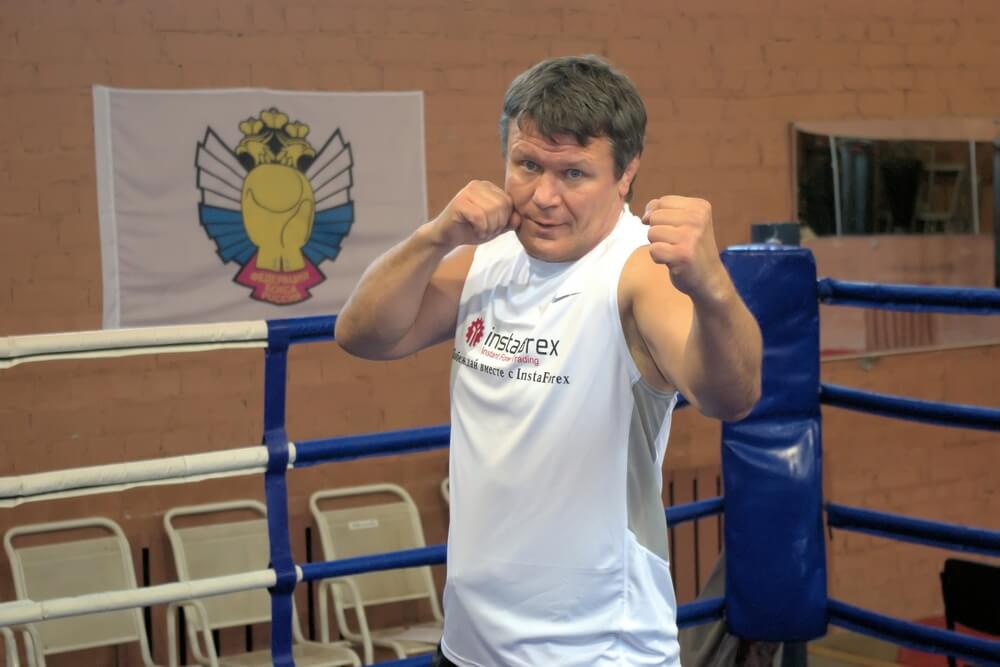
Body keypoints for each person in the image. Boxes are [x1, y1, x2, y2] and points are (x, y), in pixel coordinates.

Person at [335, 55, 763, 667]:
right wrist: (437, 235)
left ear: (626, 174)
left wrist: (712, 286)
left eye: (573, 174)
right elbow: (362, 335)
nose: (543, 197)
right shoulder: (485, 259)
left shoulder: (638, 274)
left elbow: (733, 398)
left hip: (599, 651)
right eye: (528, 165)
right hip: (470, 645)